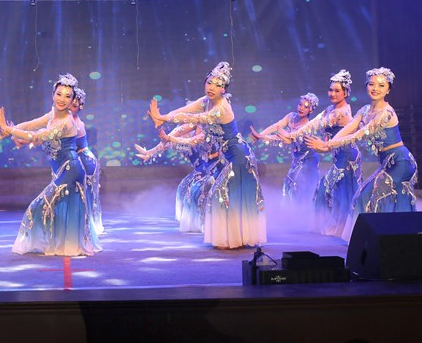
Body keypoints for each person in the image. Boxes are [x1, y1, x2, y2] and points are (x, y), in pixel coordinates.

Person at [149, 62, 266, 249]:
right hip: (228, 158)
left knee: (220, 195)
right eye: (209, 82)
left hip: (239, 158)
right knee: (226, 198)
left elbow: (196, 118)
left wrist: (164, 118)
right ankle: (233, 238)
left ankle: (232, 239)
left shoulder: (222, 108)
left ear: (224, 89)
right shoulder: (205, 101)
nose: (211, 87)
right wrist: (162, 116)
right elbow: (185, 111)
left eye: (218, 85)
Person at [0, 73, 102, 256]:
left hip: (71, 170)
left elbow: (37, 136)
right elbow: (33, 124)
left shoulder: (66, 122)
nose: (62, 99)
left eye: (67, 96)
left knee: (38, 207)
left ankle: (65, 245)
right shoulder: (53, 114)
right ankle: (63, 244)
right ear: (53, 94)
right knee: (57, 210)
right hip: (62, 170)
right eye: (59, 94)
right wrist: (12, 129)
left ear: (73, 100)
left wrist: (10, 130)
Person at [305, 67, 418, 239]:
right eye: (371, 84)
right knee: (361, 197)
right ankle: (375, 240)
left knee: (368, 197)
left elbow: (358, 135)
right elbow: (347, 131)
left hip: (401, 163)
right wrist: (328, 146)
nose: (375, 88)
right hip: (387, 164)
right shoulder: (364, 110)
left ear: (388, 89)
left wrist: (327, 145)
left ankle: (384, 239)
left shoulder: (386, 113)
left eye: (381, 85)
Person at [277, 70, 361, 236]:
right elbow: (313, 123)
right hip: (339, 156)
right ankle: (331, 227)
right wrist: (292, 135)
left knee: (334, 191)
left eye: (337, 91)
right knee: (329, 191)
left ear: (346, 93)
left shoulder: (342, 112)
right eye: (330, 90)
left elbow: (318, 126)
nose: (332, 93)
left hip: (348, 156)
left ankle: (341, 228)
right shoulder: (331, 108)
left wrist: (324, 146)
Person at [250, 93, 321, 209]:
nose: (301, 108)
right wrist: (260, 135)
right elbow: (276, 126)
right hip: (297, 160)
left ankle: (300, 212)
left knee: (297, 185)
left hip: (308, 161)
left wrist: (262, 137)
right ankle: (291, 212)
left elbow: (282, 138)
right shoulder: (291, 117)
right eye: (300, 104)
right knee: (289, 184)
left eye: (306, 106)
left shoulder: (307, 127)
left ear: (311, 110)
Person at [70, 87, 104, 236]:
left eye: (74, 105)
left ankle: (87, 227)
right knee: (85, 196)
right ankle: (85, 227)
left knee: (86, 196)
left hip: (85, 161)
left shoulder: (74, 122)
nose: (71, 108)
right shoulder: (70, 120)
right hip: (82, 160)